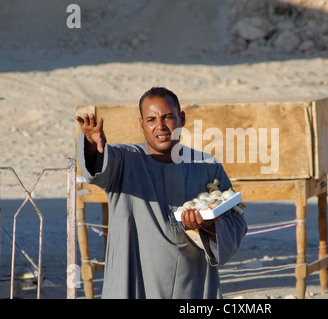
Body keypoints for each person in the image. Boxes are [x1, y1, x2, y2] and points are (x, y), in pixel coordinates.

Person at [75, 86, 247, 299]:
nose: (161, 126)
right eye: (151, 120)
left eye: (167, 117)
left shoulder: (207, 166)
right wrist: (93, 145)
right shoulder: (125, 161)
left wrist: (208, 225)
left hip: (193, 286)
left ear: (181, 118)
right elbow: (99, 168)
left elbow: (235, 221)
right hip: (136, 284)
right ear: (141, 124)